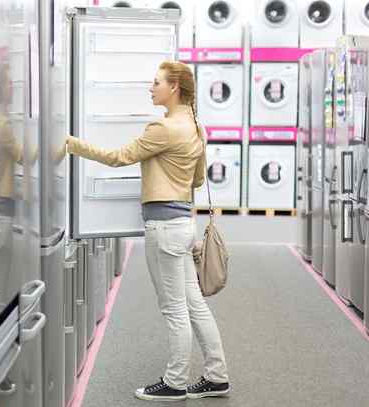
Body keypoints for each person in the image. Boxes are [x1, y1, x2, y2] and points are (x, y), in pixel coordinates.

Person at [66, 61, 230, 401]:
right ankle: (216, 376)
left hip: (165, 228)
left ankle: (175, 382)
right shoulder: (197, 127)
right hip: (184, 223)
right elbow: (198, 180)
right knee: (194, 303)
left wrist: (72, 144)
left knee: (174, 309)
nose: (150, 88)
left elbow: (117, 157)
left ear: (174, 88)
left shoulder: (164, 128)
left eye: (156, 83)